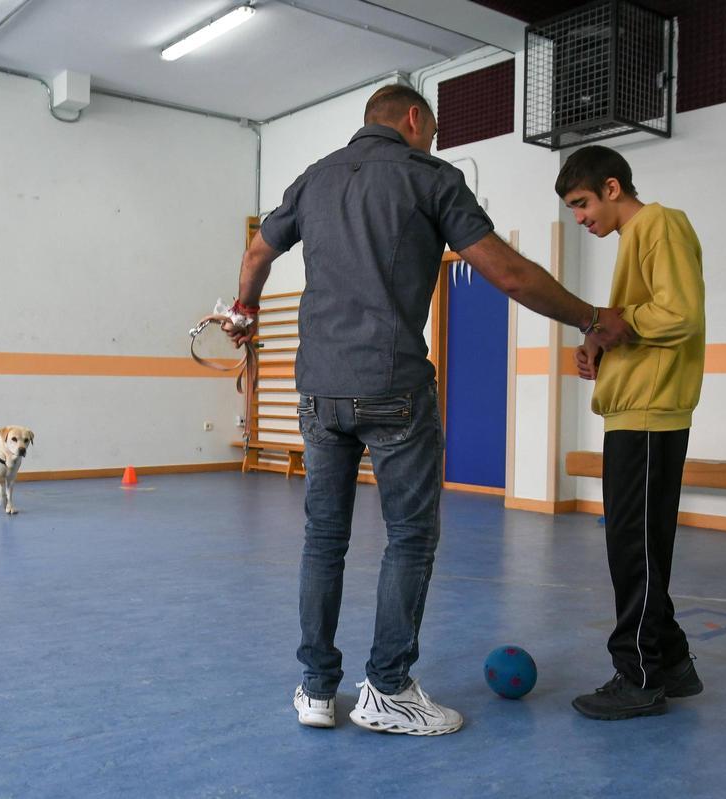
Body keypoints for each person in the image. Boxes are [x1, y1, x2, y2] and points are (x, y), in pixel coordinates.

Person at [226, 84, 628, 734]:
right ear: (414, 119)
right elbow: (510, 274)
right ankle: (387, 688)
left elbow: (256, 253)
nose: (434, 141)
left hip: (317, 387)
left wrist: (244, 309)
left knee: (323, 538)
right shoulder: (429, 177)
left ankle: (316, 690)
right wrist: (590, 317)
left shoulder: (315, 178)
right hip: (391, 384)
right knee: (409, 535)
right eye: (434, 130)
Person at [558, 145, 706, 720]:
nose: (580, 217)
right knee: (634, 548)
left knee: (634, 552)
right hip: (632, 413)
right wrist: (598, 340)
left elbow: (680, 314)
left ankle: (638, 678)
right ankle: (672, 663)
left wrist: (612, 323)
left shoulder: (660, 225)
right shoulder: (633, 240)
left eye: (582, 203)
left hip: (650, 413)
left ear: (612, 188)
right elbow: (642, 318)